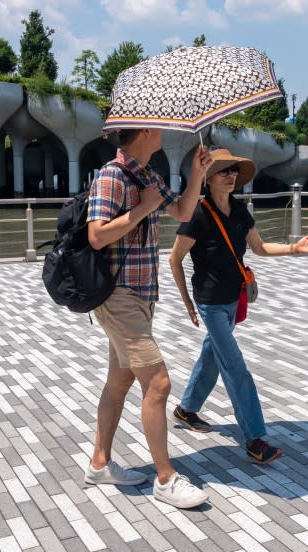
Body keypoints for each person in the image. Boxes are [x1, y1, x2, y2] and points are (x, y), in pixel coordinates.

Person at [83, 127, 214, 509]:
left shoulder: (150, 175)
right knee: (158, 383)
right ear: (142, 131)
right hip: (118, 296)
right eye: (157, 127)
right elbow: (96, 236)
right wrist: (142, 207)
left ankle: (99, 464)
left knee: (120, 379)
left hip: (143, 296)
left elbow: (184, 211)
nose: (164, 131)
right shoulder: (111, 176)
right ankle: (165, 478)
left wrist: (198, 172)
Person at [168, 149, 308, 463]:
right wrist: (187, 302)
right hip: (210, 302)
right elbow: (174, 259)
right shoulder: (197, 215)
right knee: (235, 367)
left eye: (234, 171)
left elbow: (260, 247)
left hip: (232, 299)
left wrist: (294, 248)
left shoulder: (239, 211)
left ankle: (186, 410)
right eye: (223, 171)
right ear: (208, 178)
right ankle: (255, 439)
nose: (230, 176)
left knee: (213, 356)